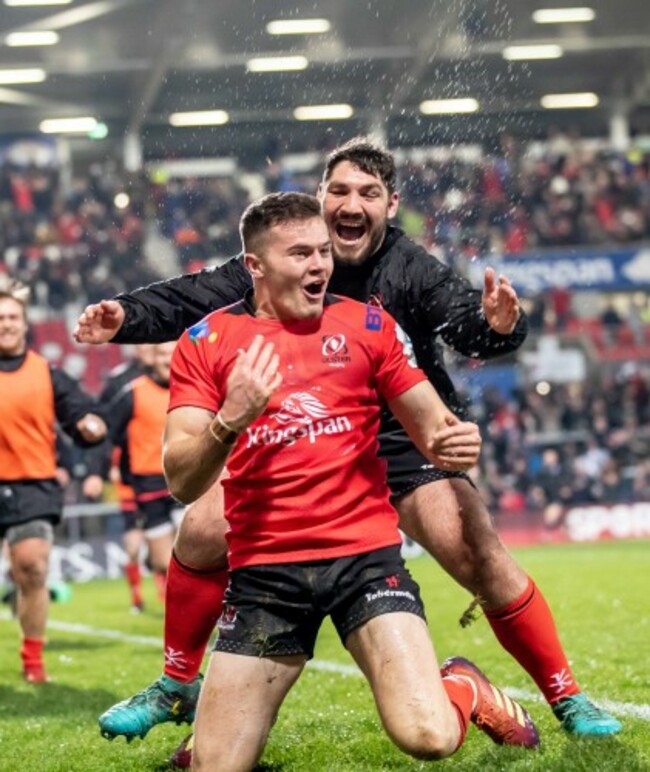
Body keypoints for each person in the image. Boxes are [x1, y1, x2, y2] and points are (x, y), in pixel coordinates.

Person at [78, 138, 620, 741]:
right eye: (338, 190)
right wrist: (125, 317)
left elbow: (462, 317)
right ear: (319, 199)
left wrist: (497, 327)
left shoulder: (408, 266)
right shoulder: (279, 257)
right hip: (305, 434)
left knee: (479, 553)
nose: (350, 204)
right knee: (202, 528)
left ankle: (565, 695)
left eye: (367, 193)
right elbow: (192, 296)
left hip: (400, 434)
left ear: (390, 205)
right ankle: (179, 685)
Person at [164, 192, 539, 768]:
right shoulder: (205, 344)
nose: (319, 266)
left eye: (322, 252)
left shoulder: (368, 325)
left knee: (429, 738)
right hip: (265, 577)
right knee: (214, 766)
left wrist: (454, 439)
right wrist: (227, 423)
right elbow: (182, 481)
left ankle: (463, 686)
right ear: (255, 266)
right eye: (300, 254)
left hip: (364, 564)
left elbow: (434, 426)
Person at [0, 276, 107, 682]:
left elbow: (79, 414)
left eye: (12, 317)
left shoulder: (48, 372)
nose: (6, 324)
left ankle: (33, 660)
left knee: (32, 567)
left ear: (24, 323)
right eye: (0, 318)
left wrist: (89, 424)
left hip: (32, 484)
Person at [104, 342, 178, 604]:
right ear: (151, 358)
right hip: (148, 484)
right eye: (161, 354)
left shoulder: (198, 388)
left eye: (172, 353)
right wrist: (95, 471)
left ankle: (219, 615)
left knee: (200, 551)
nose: (167, 360)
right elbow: (106, 432)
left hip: (188, 478)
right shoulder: (133, 392)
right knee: (164, 562)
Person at [98, 343, 156, 612]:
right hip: (133, 474)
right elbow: (106, 426)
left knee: (179, 543)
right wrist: (105, 466)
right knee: (134, 542)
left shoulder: (176, 370)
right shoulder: (120, 381)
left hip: (169, 470)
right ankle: (136, 596)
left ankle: (167, 591)